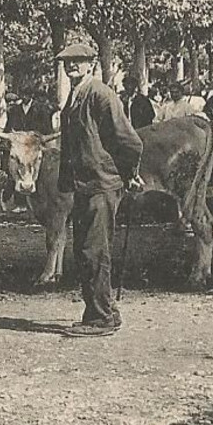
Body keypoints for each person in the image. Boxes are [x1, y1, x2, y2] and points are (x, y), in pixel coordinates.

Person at [56, 42, 145, 337]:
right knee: (85, 250)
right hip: (84, 184)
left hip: (101, 184)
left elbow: (129, 142)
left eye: (78, 62)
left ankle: (100, 318)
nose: (72, 67)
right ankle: (104, 309)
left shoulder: (100, 94)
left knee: (94, 250)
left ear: (91, 64)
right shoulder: (75, 95)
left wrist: (128, 173)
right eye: (67, 62)